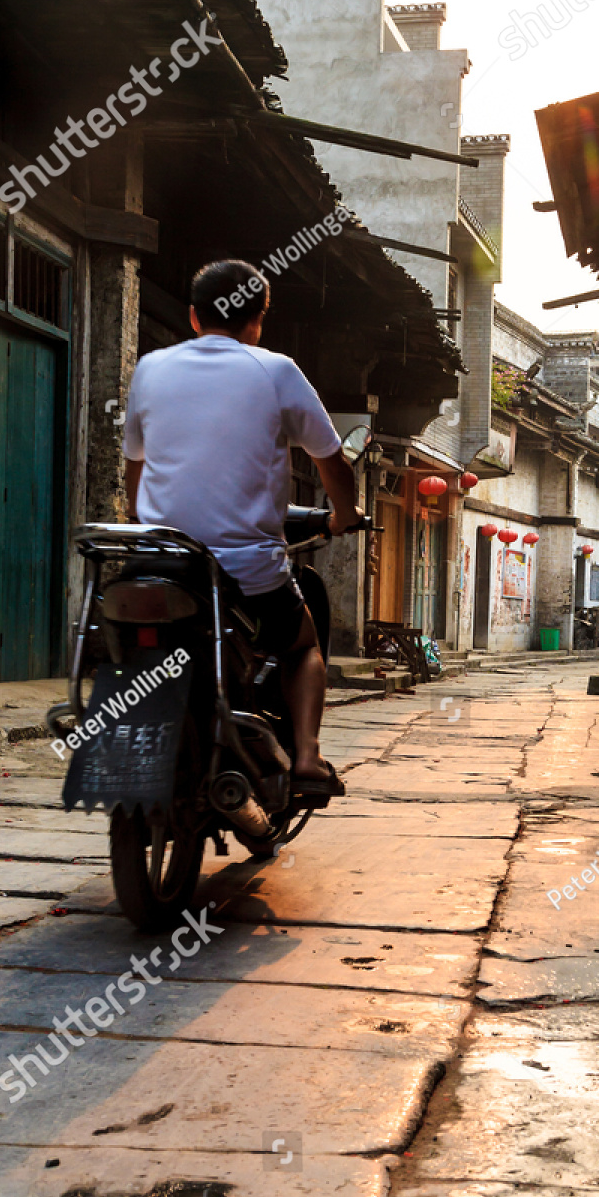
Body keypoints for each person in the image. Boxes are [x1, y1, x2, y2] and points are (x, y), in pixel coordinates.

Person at [122, 259, 363, 800]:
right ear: (258, 320)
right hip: (243, 570)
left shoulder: (149, 369)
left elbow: (135, 473)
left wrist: (153, 519)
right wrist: (345, 516)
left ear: (192, 317)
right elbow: (333, 462)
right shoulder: (276, 370)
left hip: (157, 561)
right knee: (302, 643)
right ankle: (305, 757)